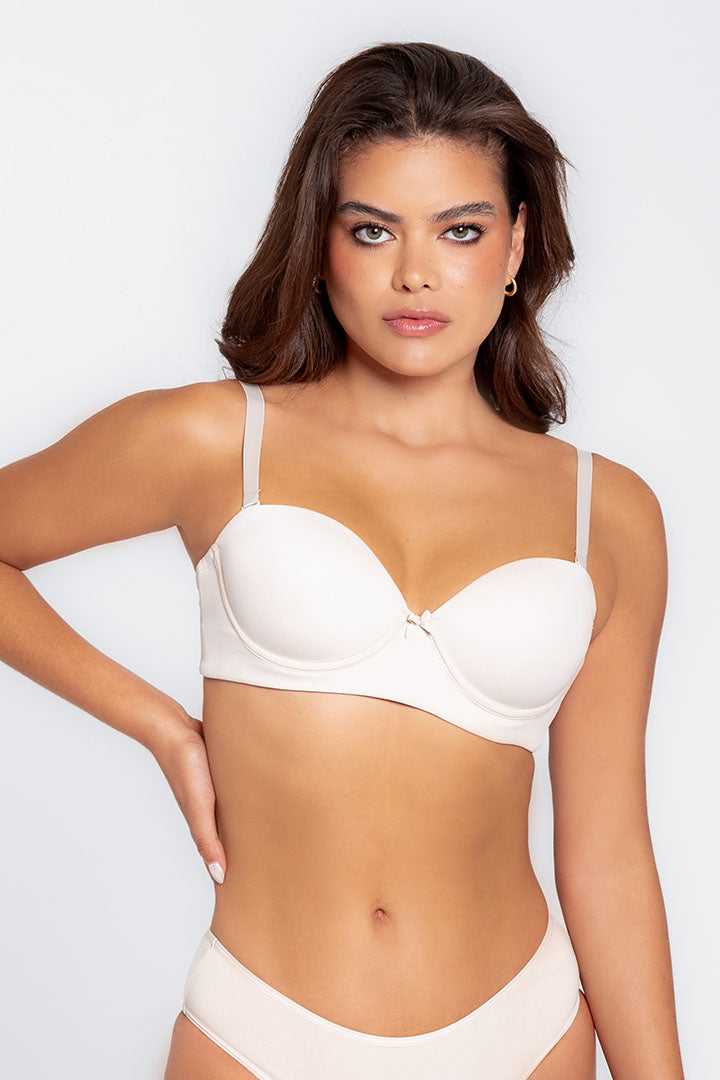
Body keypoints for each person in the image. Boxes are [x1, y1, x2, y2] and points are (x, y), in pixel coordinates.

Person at [0, 41, 685, 1080]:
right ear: (320, 243)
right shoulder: (215, 441)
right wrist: (159, 727)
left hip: (526, 1032)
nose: (416, 273)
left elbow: (608, 856)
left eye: (461, 230)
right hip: (260, 1032)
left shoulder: (610, 513)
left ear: (516, 244)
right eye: (373, 229)